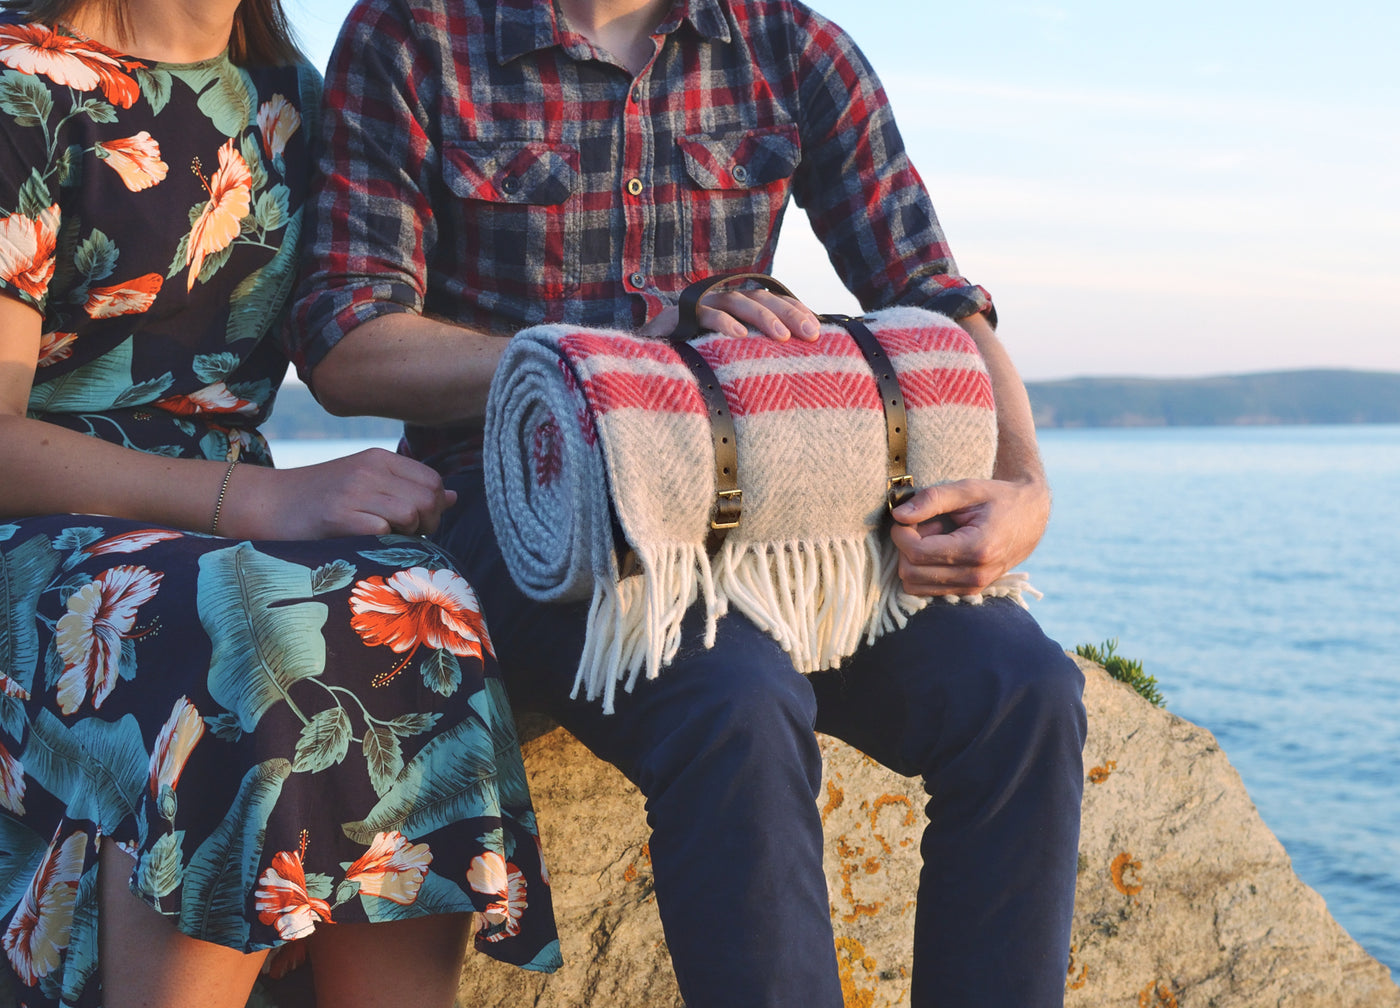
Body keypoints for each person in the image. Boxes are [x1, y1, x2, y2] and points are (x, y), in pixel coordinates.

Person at [292, 0, 1086, 1005]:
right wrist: (625, 364)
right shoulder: (416, 35)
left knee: (1024, 689)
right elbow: (347, 342)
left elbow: (937, 298)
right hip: (530, 504)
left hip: (772, 507)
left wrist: (1024, 486)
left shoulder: (792, 43)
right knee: (736, 699)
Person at [0, 2, 561, 1006]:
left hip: (226, 526)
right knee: (245, 629)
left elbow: (402, 315)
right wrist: (254, 498)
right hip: (38, 530)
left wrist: (684, 331)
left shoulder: (297, 99)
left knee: (421, 602)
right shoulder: (20, 83)